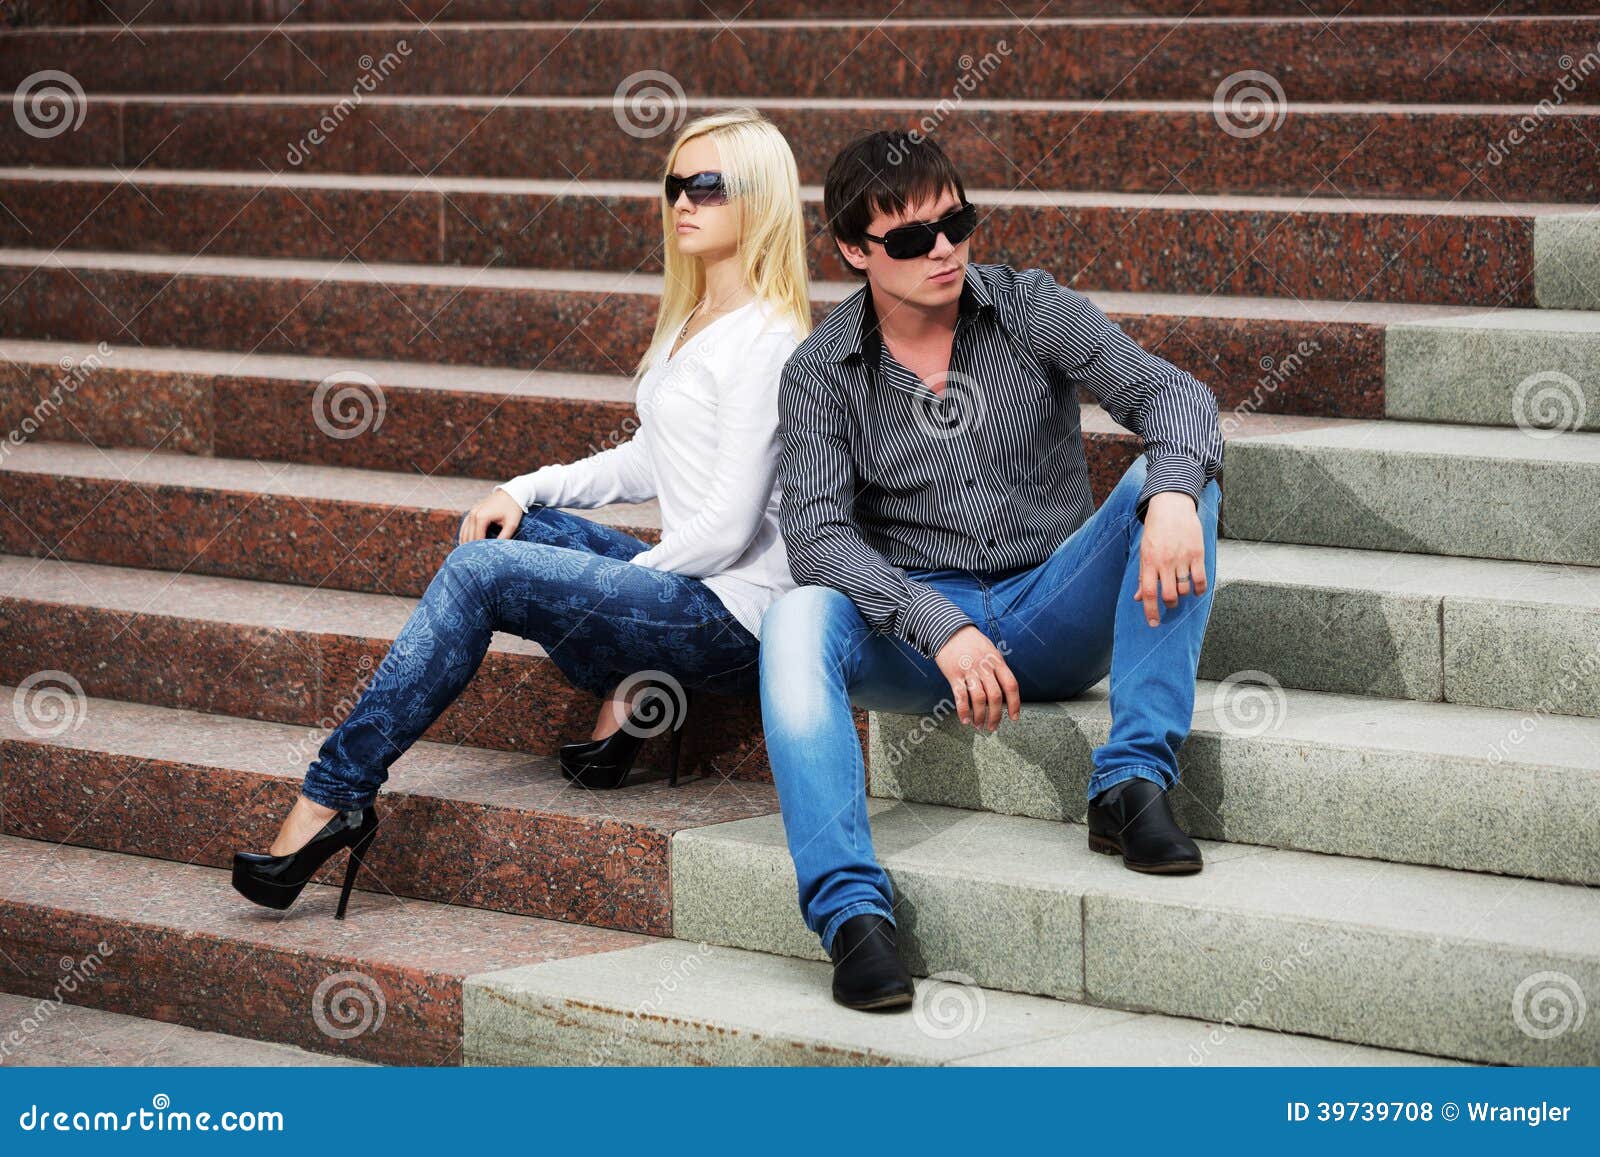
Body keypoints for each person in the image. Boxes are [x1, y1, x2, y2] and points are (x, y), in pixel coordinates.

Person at [232, 107, 811, 919]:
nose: (683, 200)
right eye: (675, 183)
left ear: (761, 199)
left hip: (733, 617)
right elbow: (650, 457)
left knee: (478, 573)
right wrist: (528, 486)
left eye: (707, 186)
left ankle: (334, 797)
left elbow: (729, 528)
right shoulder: (695, 319)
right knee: (509, 530)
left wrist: (614, 581)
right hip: (688, 588)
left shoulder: (771, 338)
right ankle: (631, 695)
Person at [761, 129, 1224, 1010]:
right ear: (856, 251)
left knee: (1172, 476)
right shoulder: (820, 373)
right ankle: (853, 916)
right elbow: (818, 538)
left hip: (1052, 608)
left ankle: (1131, 782)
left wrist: (1168, 495)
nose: (942, 249)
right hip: (920, 647)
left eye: (956, 223)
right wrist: (941, 624)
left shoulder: (1029, 307)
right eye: (907, 239)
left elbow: (1175, 396)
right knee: (795, 618)